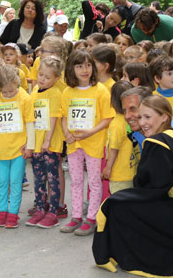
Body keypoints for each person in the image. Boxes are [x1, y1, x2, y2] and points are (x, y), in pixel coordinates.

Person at [93, 94, 173, 277]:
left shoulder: (156, 143)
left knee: (116, 207)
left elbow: (150, 189)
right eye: (140, 117)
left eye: (147, 117)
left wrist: (119, 197)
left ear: (164, 117)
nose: (142, 122)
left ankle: (136, 257)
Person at [60, 50, 114, 236]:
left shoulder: (101, 91)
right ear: (71, 69)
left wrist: (90, 132)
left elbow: (108, 118)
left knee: (94, 181)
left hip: (94, 143)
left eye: (88, 65)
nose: (85, 70)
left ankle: (92, 218)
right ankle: (76, 216)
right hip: (74, 143)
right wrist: (66, 132)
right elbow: (64, 116)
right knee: (75, 180)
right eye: (79, 66)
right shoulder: (68, 92)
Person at [0, 65, 34, 228]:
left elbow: (30, 123)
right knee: (2, 182)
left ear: (17, 82)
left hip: (18, 150)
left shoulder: (25, 98)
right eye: (4, 92)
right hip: (1, 150)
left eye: (10, 91)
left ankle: (13, 213)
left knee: (15, 181)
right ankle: (2, 211)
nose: (7, 95)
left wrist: (30, 145)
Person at [25, 56, 64, 229]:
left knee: (52, 177)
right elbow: (30, 118)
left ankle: (53, 211)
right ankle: (40, 208)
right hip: (36, 142)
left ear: (56, 79)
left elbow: (54, 117)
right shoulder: (34, 91)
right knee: (38, 178)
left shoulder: (55, 93)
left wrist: (47, 140)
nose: (42, 79)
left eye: (47, 77)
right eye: (41, 75)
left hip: (50, 143)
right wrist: (29, 141)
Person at [101, 81, 138, 193]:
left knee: (119, 204)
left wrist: (108, 167)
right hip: (133, 171)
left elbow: (114, 148)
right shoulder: (134, 120)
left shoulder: (116, 124)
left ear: (112, 101)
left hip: (119, 174)